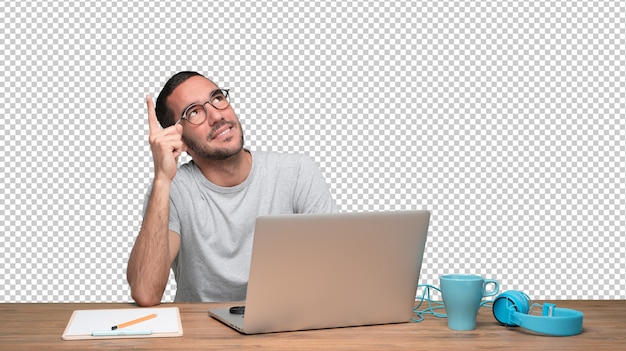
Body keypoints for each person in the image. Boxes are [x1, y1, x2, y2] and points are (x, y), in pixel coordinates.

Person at [126, 71, 337, 306]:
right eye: (194, 112)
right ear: (180, 140)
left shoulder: (297, 172)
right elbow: (146, 293)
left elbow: (336, 269)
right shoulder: (172, 190)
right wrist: (162, 179)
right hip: (202, 333)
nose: (216, 115)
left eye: (217, 98)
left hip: (285, 326)